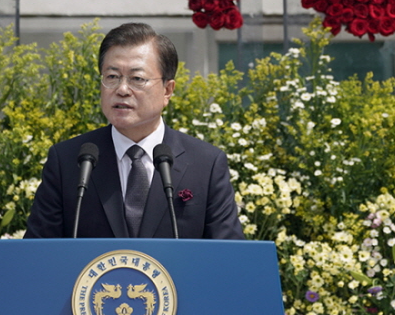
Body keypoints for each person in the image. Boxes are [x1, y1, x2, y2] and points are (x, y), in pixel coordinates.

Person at [24, 22, 245, 239]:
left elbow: (229, 260)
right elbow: (37, 255)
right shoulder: (68, 161)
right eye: (112, 77)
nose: (121, 89)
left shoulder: (205, 164)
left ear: (167, 90)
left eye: (137, 79)